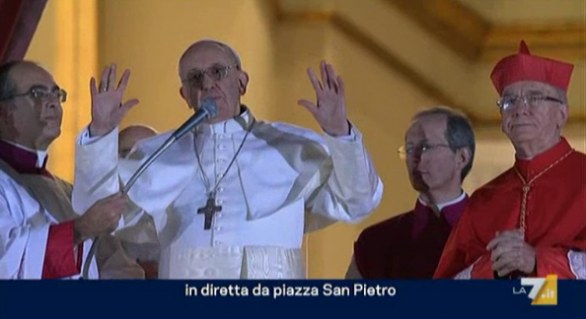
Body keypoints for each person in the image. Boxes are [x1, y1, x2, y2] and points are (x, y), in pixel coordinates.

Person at [72, 39, 384, 279]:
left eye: (218, 72)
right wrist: (100, 133)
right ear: (184, 95)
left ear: (242, 82)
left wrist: (340, 133)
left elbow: (359, 201)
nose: (207, 84)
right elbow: (94, 209)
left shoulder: (293, 147)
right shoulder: (158, 154)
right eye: (194, 78)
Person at [434, 41, 586, 279]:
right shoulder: (483, 201)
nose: (519, 109)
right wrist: (490, 267)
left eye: (534, 98)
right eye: (509, 101)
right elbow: (441, 295)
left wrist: (537, 260)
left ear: (562, 114)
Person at [0, 60, 142, 279]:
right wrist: (78, 230)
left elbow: (110, 258)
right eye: (37, 93)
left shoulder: (65, 191)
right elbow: (7, 259)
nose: (53, 103)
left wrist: (101, 130)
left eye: (57, 94)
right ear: (3, 110)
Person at [346, 107, 474, 278]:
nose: (415, 158)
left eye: (426, 147)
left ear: (462, 157)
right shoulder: (375, 241)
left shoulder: (494, 233)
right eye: (409, 148)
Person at [116, 124, 160, 278]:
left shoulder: (177, 211)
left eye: (145, 153)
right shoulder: (94, 210)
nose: (134, 160)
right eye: (126, 152)